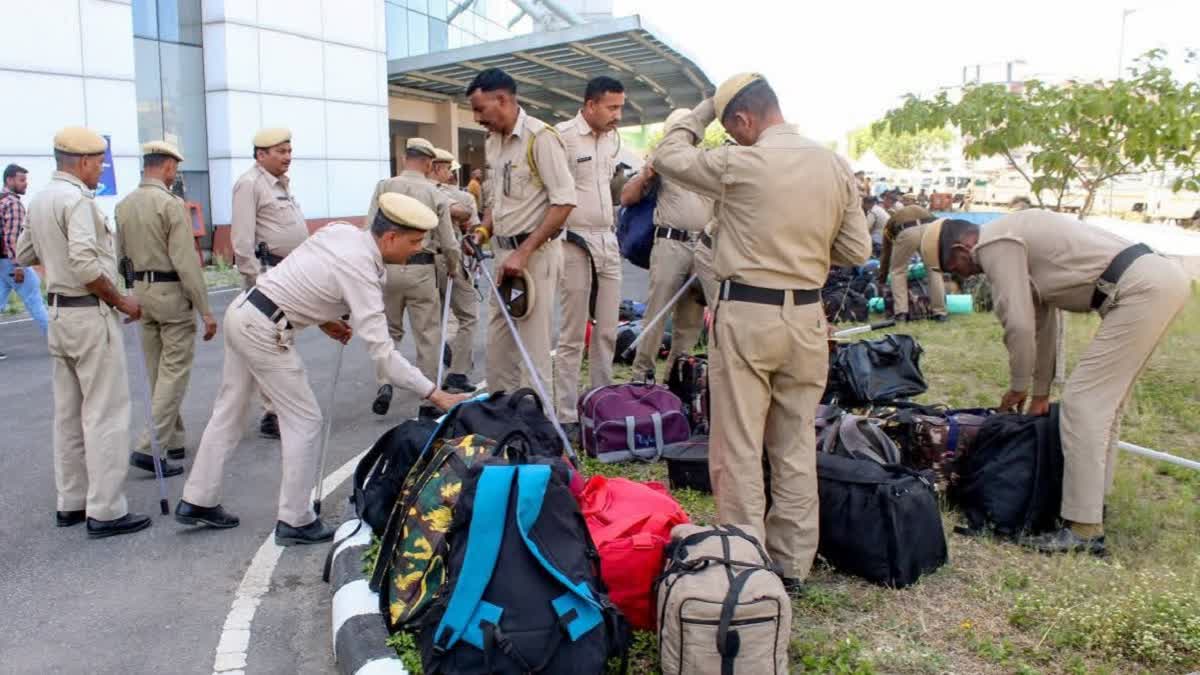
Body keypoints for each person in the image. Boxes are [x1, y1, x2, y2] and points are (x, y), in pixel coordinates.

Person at [652, 74, 871, 591]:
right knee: (794, 445)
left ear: (742, 119)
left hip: (748, 314)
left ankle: (745, 559)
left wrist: (702, 110)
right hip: (807, 318)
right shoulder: (834, 164)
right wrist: (804, 252)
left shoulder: (740, 162)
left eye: (733, 128)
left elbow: (667, 156)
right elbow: (857, 251)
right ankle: (792, 564)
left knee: (738, 444)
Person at [177, 194, 471, 543]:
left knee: (229, 412)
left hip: (245, 311)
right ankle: (296, 520)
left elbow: (306, 274)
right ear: (390, 237)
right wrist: (435, 394)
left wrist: (325, 319)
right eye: (413, 241)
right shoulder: (362, 268)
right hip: (265, 329)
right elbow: (383, 355)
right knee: (305, 420)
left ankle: (198, 499)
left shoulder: (341, 232)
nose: (417, 248)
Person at [928, 211, 1190, 555]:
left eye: (951, 268)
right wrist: (1039, 393)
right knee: (1104, 406)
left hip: (1141, 288)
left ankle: (1083, 530)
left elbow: (1018, 325)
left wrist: (1017, 386)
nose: (957, 277)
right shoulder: (1010, 238)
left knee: (1083, 404)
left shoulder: (993, 245)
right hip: (1153, 282)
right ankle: (1092, 506)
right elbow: (1042, 324)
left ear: (963, 248)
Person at [16, 127, 149, 538]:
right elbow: (87, 266)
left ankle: (71, 502)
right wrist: (122, 301)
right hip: (89, 315)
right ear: (85, 162)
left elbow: (24, 253)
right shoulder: (77, 201)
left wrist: (53, 254)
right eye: (99, 163)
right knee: (105, 413)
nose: (100, 170)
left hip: (58, 315)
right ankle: (106, 510)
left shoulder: (39, 200)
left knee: (68, 416)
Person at [466, 68, 575, 398]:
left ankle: (539, 431)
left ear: (502, 99)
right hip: (503, 258)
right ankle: (500, 419)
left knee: (533, 349)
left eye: (479, 109)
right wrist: (482, 231)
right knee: (498, 347)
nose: (476, 118)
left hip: (534, 258)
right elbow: (497, 201)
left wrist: (524, 251)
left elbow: (565, 202)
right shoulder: (493, 142)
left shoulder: (540, 138)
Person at [115, 140, 217, 471]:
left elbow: (121, 258)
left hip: (141, 292)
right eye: (176, 168)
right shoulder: (171, 204)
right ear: (168, 166)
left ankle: (173, 441)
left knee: (158, 373)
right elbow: (186, 262)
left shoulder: (125, 204)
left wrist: (126, 297)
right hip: (171, 293)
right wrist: (205, 309)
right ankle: (150, 446)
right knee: (174, 373)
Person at [366, 138, 462, 415]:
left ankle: (385, 382)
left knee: (389, 330)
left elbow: (370, 227)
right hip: (421, 269)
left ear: (405, 157)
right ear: (430, 163)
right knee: (428, 335)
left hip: (388, 268)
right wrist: (453, 266)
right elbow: (449, 241)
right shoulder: (435, 193)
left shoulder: (384, 186)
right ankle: (428, 399)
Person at [554, 76, 626, 435]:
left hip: (607, 241)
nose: (618, 115)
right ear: (591, 105)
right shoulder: (563, 136)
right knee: (572, 333)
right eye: (612, 107)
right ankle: (566, 415)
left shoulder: (613, 139)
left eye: (620, 107)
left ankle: (602, 403)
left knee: (608, 330)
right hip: (574, 242)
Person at [622, 107, 713, 383]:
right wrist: (646, 175)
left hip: (703, 245)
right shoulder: (661, 160)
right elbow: (627, 198)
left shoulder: (706, 161)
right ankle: (642, 375)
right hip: (670, 242)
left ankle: (677, 379)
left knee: (691, 321)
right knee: (657, 313)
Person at [232, 128, 309, 439]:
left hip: (285, 275)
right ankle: (273, 412)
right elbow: (241, 241)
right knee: (271, 343)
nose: (288, 157)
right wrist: (256, 283)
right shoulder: (249, 184)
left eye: (289, 151)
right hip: (267, 277)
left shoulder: (280, 185)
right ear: (261, 154)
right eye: (281, 151)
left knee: (281, 341)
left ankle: (274, 408)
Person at [431, 147, 481, 393]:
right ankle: (458, 373)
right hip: (448, 259)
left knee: (432, 320)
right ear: (442, 169)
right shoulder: (461, 198)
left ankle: (430, 374)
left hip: (420, 264)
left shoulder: (408, 191)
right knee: (468, 315)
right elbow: (472, 229)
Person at [1, 164, 50, 336]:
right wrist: (18, 265)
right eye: (21, 180)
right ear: (9, 180)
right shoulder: (13, 204)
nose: (26, 183)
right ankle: (60, 343)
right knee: (35, 299)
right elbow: (12, 238)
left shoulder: (1, 200)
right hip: (12, 262)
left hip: (2, 262)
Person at [878, 204, 947, 322]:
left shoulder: (890, 224)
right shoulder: (923, 210)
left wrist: (882, 278)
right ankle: (940, 313)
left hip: (906, 231)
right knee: (934, 269)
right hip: (930, 228)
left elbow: (886, 253)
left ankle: (901, 313)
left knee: (898, 271)